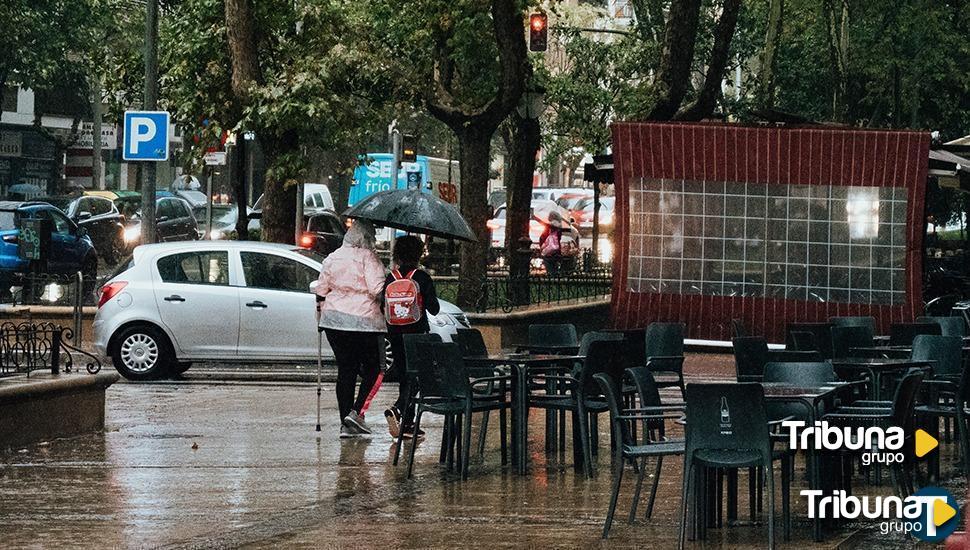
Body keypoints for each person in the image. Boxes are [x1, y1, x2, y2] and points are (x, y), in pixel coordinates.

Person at [314, 220, 387, 438]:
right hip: (364, 322)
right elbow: (376, 289)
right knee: (375, 368)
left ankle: (344, 421)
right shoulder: (368, 257)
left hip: (334, 322)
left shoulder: (332, 257)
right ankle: (356, 413)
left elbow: (321, 289)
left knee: (346, 370)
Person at [382, 235, 440, 439]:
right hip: (417, 333)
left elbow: (384, 307)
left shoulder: (391, 278)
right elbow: (434, 309)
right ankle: (399, 410)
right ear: (418, 254)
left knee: (404, 377)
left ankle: (407, 423)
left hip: (395, 334)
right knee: (416, 377)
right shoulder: (422, 278)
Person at [539, 210, 565, 276]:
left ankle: (551, 275)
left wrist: (542, 245)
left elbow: (544, 236)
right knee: (554, 264)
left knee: (548, 262)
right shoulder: (559, 225)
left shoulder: (552, 225)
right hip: (556, 249)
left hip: (551, 249)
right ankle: (554, 274)